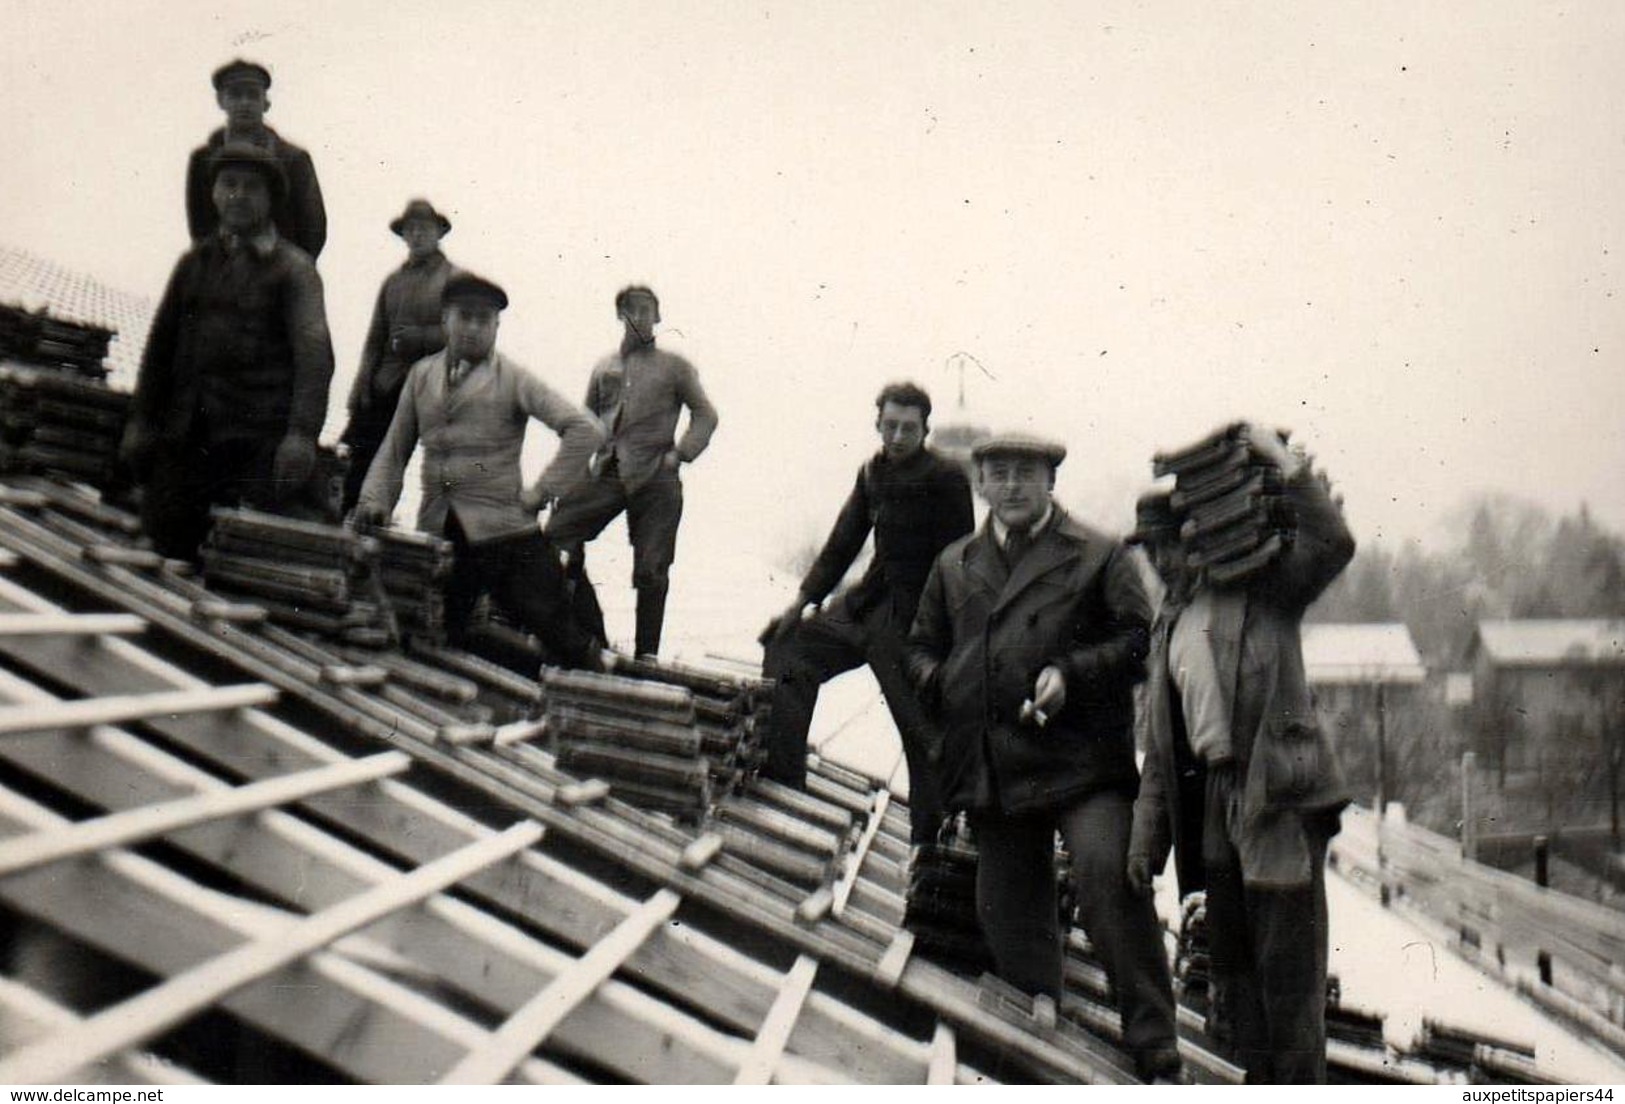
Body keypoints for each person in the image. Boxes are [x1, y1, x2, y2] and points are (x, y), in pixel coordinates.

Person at [906, 433, 1183, 1084]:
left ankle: (1155, 1043)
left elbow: (1137, 643)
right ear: (979, 484)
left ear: (1050, 481)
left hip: (1083, 764)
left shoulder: (1096, 554)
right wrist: (943, 680)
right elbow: (919, 648)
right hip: (999, 769)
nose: (1010, 486)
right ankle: (1041, 1038)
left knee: (1107, 877)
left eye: (1024, 474)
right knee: (1003, 907)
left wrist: (1070, 673)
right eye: (996, 473)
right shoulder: (954, 565)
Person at [1127, 426, 1356, 1083]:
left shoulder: (1266, 595)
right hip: (1211, 820)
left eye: (1171, 547)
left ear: (1200, 539)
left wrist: (1284, 464)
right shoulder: (1167, 629)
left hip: (1275, 808)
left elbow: (1333, 543)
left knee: (1290, 990)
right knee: (1231, 994)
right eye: (1151, 553)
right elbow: (1159, 752)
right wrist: (1146, 845)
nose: (1164, 563)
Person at [353, 273, 610, 672]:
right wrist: (373, 502)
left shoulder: (513, 378)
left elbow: (585, 430)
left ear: (496, 327)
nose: (473, 327)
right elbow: (395, 447)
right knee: (439, 635)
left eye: (483, 320)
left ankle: (605, 700)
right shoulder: (421, 376)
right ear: (445, 320)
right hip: (441, 533)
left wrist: (541, 492)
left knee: (564, 637)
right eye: (464, 317)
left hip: (505, 534)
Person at [759, 382, 973, 844]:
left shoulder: (947, 477)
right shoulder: (871, 472)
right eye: (890, 426)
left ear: (925, 430)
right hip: (865, 605)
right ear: (878, 424)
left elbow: (959, 562)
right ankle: (784, 784)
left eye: (909, 429)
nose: (898, 436)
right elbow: (843, 540)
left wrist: (943, 640)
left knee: (922, 733)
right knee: (789, 650)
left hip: (914, 620)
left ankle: (929, 849)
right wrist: (801, 602)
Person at [120, 142, 334, 563]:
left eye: (252, 187)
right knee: (164, 548)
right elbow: (161, 348)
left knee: (240, 563)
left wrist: (301, 435)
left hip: (253, 443)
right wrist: (142, 420)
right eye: (229, 184)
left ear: (271, 200)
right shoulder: (194, 263)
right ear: (214, 193)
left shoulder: (294, 270)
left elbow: (315, 357)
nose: (238, 195)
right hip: (186, 437)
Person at [544, 285, 718, 659]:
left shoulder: (675, 366)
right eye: (629, 310)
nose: (637, 317)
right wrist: (571, 475)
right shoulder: (604, 366)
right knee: (558, 533)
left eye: (645, 310)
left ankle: (646, 657)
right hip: (608, 470)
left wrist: (681, 454)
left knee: (652, 569)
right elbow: (586, 422)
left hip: (657, 475)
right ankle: (591, 637)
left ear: (657, 317)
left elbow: (706, 415)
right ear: (620, 316)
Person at [338, 199, 463, 515]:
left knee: (438, 470)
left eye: (424, 228)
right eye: (411, 229)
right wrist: (360, 386)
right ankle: (356, 520)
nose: (417, 235)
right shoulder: (393, 282)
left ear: (439, 233)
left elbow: (461, 337)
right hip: (385, 385)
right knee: (361, 455)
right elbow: (374, 339)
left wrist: (419, 338)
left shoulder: (454, 280)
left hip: (431, 386)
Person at [184, 59, 327, 260]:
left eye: (252, 95)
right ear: (221, 100)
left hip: (280, 276)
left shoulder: (293, 159)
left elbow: (313, 229)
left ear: (265, 103)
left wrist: (288, 272)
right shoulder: (203, 159)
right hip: (221, 274)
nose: (244, 103)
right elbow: (199, 226)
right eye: (235, 95)